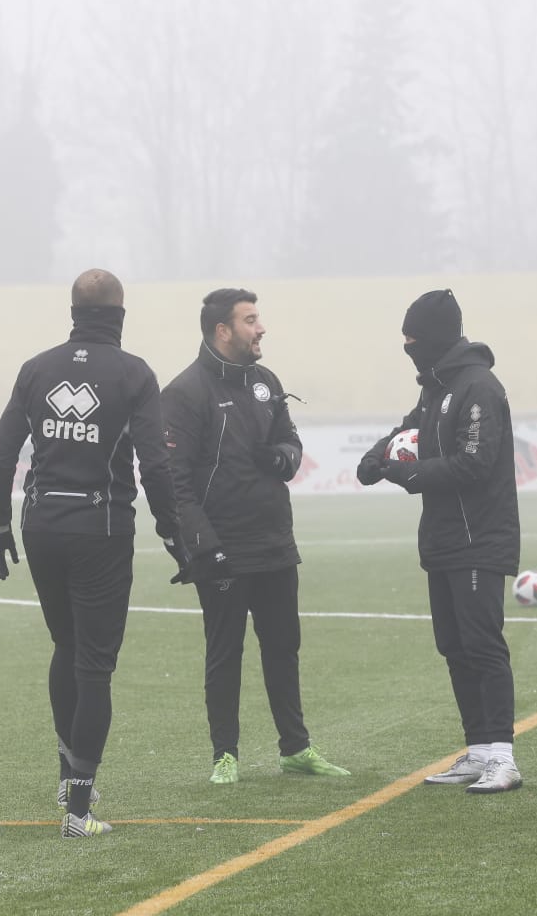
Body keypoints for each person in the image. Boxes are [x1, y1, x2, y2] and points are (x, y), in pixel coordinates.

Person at [0, 268, 189, 839]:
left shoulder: (37, 369)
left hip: (41, 525)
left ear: (73, 311)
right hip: (100, 529)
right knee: (95, 663)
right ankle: (78, 809)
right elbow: (155, 464)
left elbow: (4, 453)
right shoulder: (133, 374)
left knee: (66, 646)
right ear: (119, 315)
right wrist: (175, 537)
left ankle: (66, 773)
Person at [160, 288, 349, 785]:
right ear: (223, 330)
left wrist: (285, 457)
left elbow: (290, 439)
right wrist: (204, 545)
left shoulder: (266, 382)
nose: (260, 328)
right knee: (225, 653)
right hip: (222, 549)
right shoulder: (185, 392)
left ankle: (296, 749)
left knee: (283, 647)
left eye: (258, 318)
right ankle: (226, 755)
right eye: (250, 320)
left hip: (274, 543)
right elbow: (173, 481)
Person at [355, 288, 523, 794]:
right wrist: (377, 455)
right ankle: (476, 750)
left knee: (482, 644)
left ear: (436, 337)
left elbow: (474, 464)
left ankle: (503, 757)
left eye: (413, 338)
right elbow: (411, 430)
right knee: (453, 647)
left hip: (480, 538)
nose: (407, 346)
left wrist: (406, 474)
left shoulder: (479, 388)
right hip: (444, 540)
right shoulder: (436, 387)